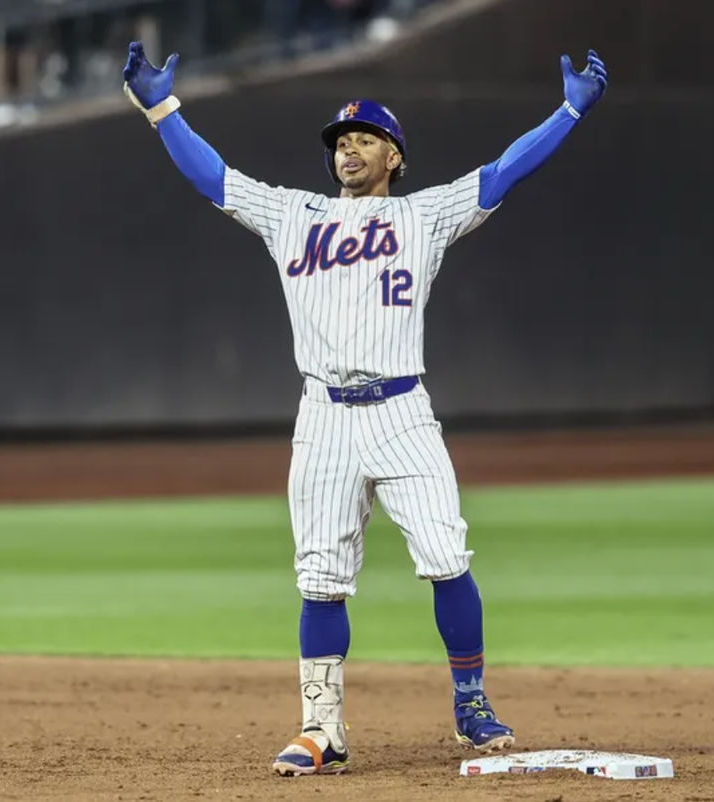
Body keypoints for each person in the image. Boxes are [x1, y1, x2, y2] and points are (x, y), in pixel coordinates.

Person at [122, 40, 607, 776]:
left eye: (365, 139)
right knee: (320, 577)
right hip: (323, 416)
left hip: (403, 412)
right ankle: (322, 728)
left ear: (395, 157)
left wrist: (569, 111)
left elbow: (509, 168)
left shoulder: (426, 216)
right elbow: (212, 177)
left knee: (448, 559)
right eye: (341, 141)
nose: (349, 149)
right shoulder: (293, 215)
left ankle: (471, 706)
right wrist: (162, 108)